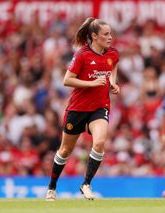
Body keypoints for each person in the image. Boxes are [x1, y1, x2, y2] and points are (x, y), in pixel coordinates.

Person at [45, 17, 120, 201]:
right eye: (106, 34)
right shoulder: (82, 55)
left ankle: (86, 184)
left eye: (110, 33)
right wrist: (92, 83)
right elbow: (67, 80)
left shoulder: (113, 54)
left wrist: (112, 83)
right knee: (65, 150)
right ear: (94, 36)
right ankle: (52, 188)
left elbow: (113, 67)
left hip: (100, 107)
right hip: (78, 108)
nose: (110, 37)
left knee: (100, 142)